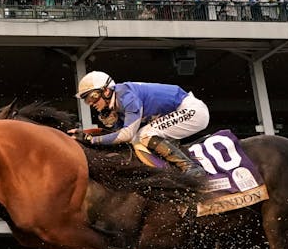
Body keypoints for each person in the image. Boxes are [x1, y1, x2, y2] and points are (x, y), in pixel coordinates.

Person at [70, 70, 210, 173]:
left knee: (144, 134)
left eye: (92, 97)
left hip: (193, 110)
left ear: (106, 91)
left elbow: (126, 135)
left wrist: (91, 140)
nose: (91, 103)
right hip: (179, 111)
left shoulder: (127, 96)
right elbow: (122, 137)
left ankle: (191, 168)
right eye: (86, 100)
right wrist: (112, 124)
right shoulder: (118, 102)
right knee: (140, 137)